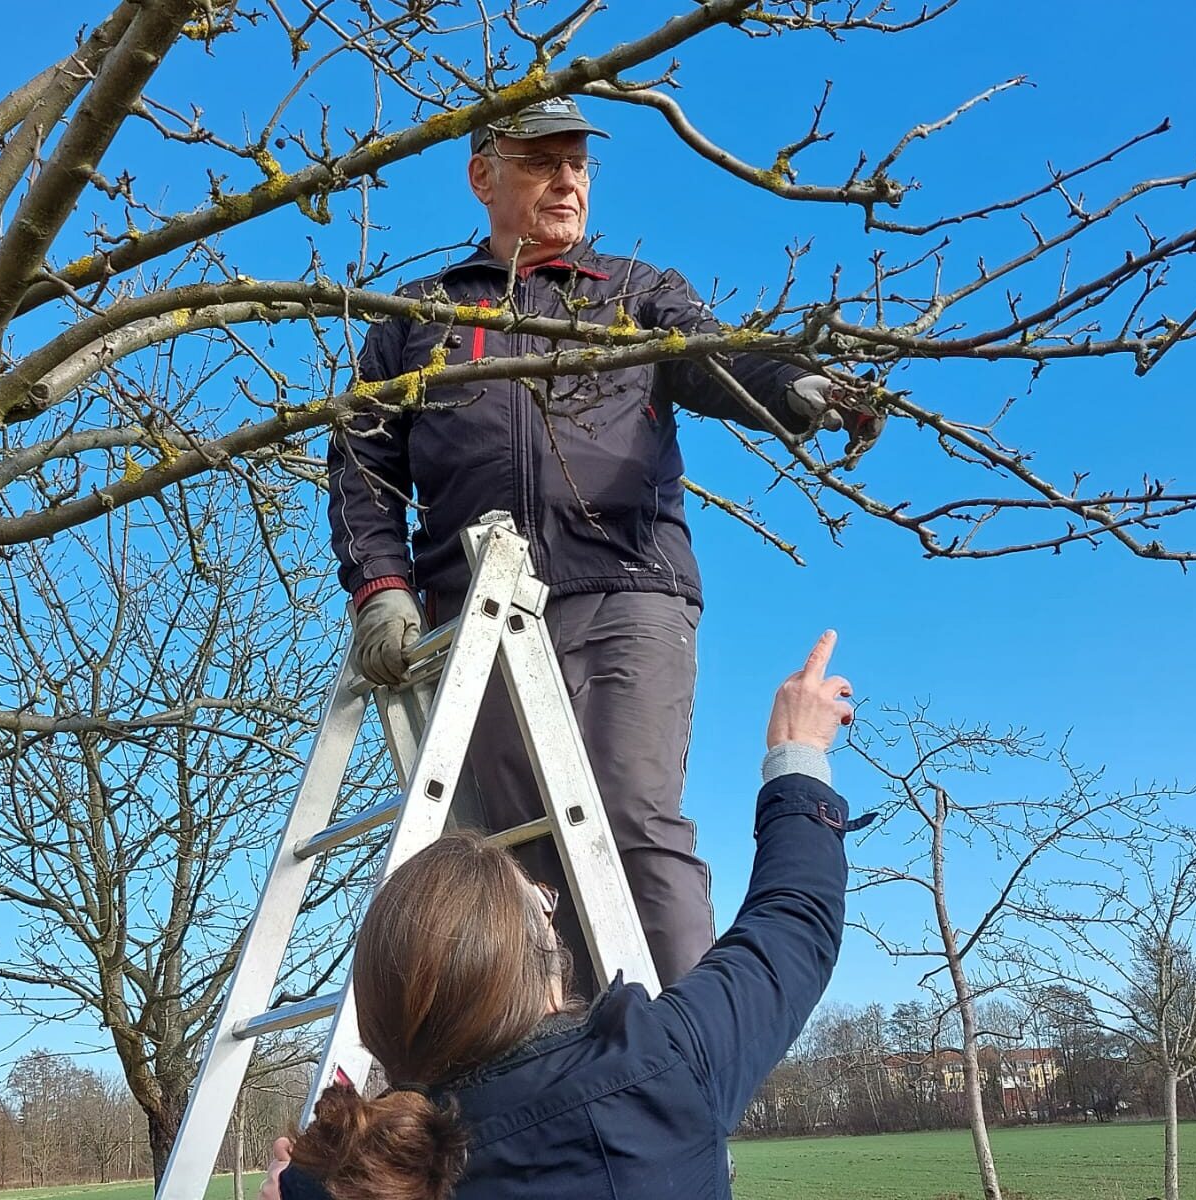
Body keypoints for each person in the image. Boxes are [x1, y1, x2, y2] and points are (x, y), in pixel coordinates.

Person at [327, 95, 879, 987]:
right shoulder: (416, 318)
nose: (568, 179)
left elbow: (717, 353)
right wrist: (381, 586)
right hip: (477, 612)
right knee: (521, 859)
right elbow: (362, 462)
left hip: (628, 588)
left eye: (579, 162)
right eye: (543, 160)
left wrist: (797, 383)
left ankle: (684, 1068)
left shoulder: (634, 294)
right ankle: (561, 1077)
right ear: (482, 175)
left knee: (629, 814)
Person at [260, 630, 863, 1200]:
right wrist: (796, 752)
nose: (553, 897)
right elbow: (792, 921)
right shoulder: (663, 1069)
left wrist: (303, 1184)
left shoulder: (366, 1175)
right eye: (539, 904)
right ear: (535, 971)